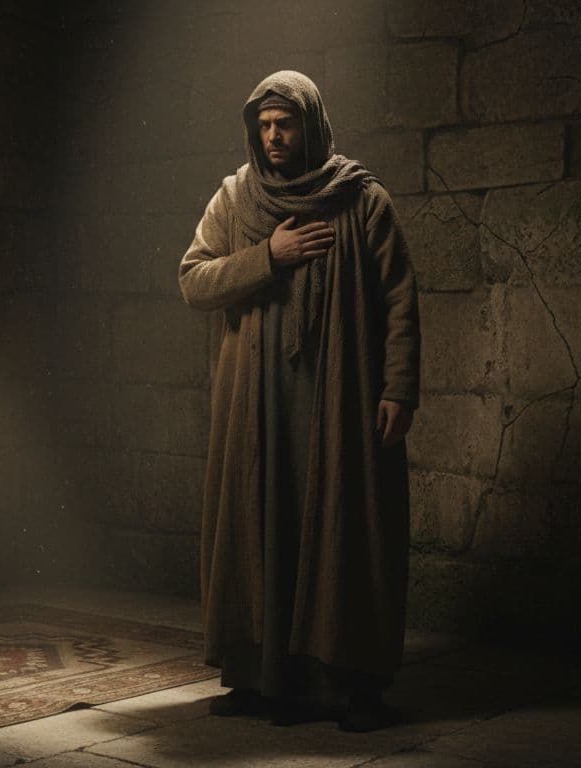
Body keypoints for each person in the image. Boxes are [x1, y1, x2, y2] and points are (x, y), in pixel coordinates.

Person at [177, 70, 420, 732]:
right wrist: (269, 255)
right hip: (258, 405)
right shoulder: (236, 198)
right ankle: (260, 679)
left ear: (310, 126)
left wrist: (399, 387)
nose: (274, 135)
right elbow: (194, 281)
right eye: (265, 124)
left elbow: (398, 296)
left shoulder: (361, 200)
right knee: (262, 526)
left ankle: (354, 687)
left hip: (339, 399)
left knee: (346, 530)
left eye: (285, 123)